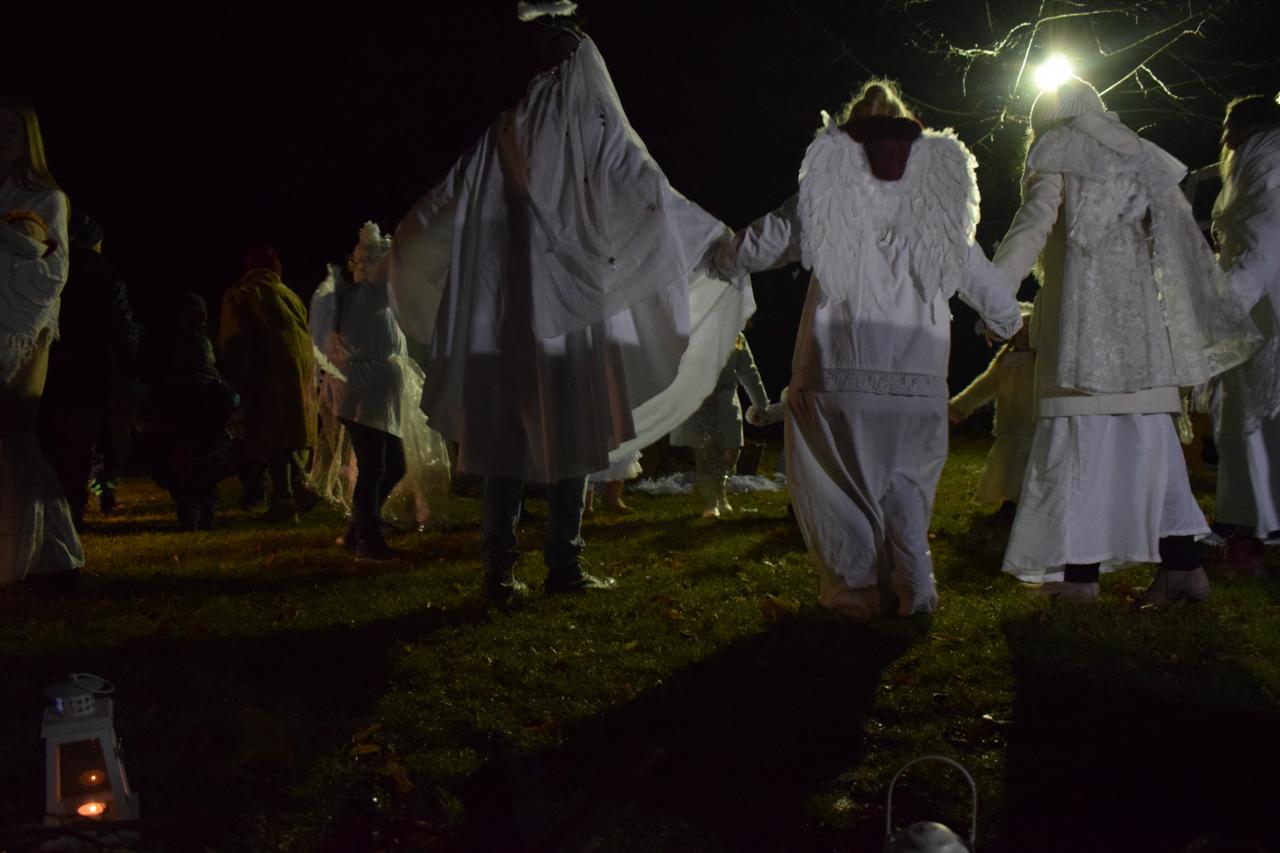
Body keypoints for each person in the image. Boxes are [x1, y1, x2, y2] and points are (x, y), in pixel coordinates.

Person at [388, 12, 753, 601]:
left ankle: (501, 571)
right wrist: (712, 240)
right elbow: (649, 193)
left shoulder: (506, 131)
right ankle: (561, 564)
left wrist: (407, 246)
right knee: (573, 434)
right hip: (572, 319)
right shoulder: (592, 129)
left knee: (510, 441)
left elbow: (445, 203)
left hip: (512, 320)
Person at [712, 80, 1023, 618]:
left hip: (840, 373)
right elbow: (979, 276)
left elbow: (756, 246)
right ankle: (915, 586)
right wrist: (1009, 323)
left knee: (838, 486)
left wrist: (717, 258)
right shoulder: (936, 201)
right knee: (908, 485)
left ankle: (855, 592)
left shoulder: (828, 190)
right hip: (918, 377)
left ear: (849, 131)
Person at [991, 77, 1258, 603]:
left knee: (1079, 455)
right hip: (1141, 337)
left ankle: (1079, 579)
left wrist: (994, 293)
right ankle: (1183, 571)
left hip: (1081, 336)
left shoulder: (1055, 149)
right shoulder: (1139, 155)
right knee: (1151, 454)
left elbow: (1032, 227)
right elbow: (1168, 246)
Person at [309, 222, 450, 559]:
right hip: (362, 397)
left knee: (394, 465)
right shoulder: (367, 295)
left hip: (370, 396)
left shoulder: (371, 297)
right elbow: (390, 270)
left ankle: (359, 527)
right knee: (373, 469)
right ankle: (367, 539)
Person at [0, 95, 84, 585]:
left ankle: (43, 551)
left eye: (11, 131)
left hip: (24, 331)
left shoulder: (47, 198)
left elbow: (54, 270)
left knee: (14, 433)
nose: (1, 140)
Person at [1206, 93, 1280, 574]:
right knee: (1244, 424)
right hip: (1254, 320)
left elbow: (1262, 246)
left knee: (1258, 425)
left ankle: (1253, 535)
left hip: (1265, 321)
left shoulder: (1270, 165)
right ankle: (1246, 529)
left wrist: (1219, 308)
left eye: (1234, 127)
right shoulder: (1255, 166)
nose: (1228, 139)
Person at [37, 213, 139, 530]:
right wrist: (129, 363)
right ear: (96, 242)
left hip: (51, 368)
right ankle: (72, 510)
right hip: (92, 370)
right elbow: (121, 326)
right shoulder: (106, 277)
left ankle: (49, 510)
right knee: (81, 443)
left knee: (52, 441)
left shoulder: (52, 271)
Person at [218, 243, 317, 523]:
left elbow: (234, 341)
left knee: (272, 436)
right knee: (286, 436)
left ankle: (288, 497)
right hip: (299, 375)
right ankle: (297, 488)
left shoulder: (243, 294)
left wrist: (233, 379)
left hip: (264, 373)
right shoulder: (288, 294)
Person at [139, 293, 240, 531]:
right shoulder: (201, 344)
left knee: (186, 470)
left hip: (184, 413)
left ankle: (193, 511)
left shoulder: (170, 346)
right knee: (202, 470)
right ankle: (202, 510)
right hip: (199, 414)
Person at [948, 304, 1036, 519]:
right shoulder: (1004, 362)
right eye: (1020, 333)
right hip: (1008, 424)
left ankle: (1023, 503)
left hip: (1032, 425)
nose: (1024, 338)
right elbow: (984, 386)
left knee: (1026, 461)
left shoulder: (1040, 363)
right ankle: (1008, 499)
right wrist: (959, 406)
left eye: (1029, 333)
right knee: (1006, 462)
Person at [670, 332, 771, 518]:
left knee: (732, 447)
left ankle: (720, 490)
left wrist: (761, 404)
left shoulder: (736, 337)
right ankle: (712, 502)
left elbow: (748, 371)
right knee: (705, 450)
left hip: (726, 399)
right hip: (699, 400)